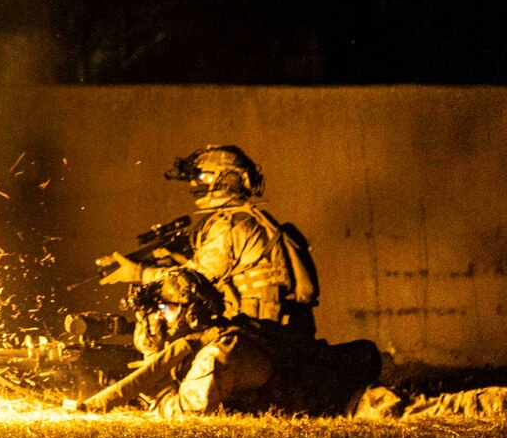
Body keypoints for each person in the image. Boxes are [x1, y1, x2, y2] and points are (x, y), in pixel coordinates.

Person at [77, 270, 379, 419]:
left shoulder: (219, 353)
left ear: (191, 313)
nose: (159, 320)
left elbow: (189, 414)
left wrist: (156, 390)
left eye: (166, 310)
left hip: (347, 405)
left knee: (417, 411)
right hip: (334, 395)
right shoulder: (220, 335)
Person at [100, 145, 320, 336]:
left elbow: (192, 281)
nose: (197, 185)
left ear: (229, 178)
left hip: (252, 331)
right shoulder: (246, 218)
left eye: (204, 178)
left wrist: (139, 274)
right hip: (261, 327)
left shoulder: (231, 223)